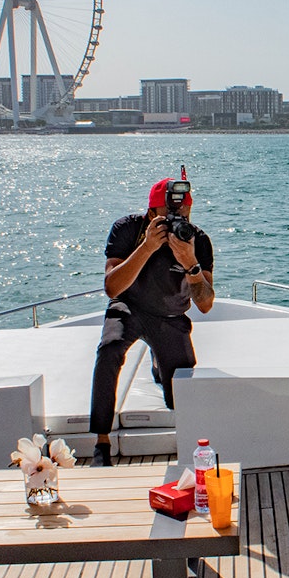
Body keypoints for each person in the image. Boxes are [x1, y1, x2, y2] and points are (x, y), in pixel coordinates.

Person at [87, 178, 214, 466]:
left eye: (182, 216)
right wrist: (146, 248)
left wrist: (190, 264)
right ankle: (102, 441)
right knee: (109, 349)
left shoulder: (197, 240)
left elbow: (205, 304)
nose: (175, 222)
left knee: (178, 391)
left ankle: (160, 365)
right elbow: (112, 288)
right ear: (150, 213)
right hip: (129, 307)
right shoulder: (127, 229)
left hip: (170, 316)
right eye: (167, 216)